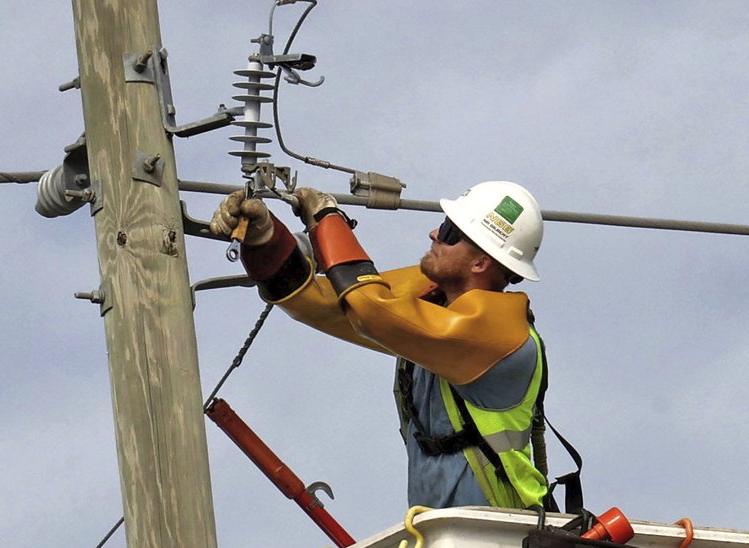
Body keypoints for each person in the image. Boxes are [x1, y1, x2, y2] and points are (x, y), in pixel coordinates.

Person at [210, 181, 553, 510]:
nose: (434, 234)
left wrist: (329, 220)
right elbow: (322, 300)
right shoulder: (435, 303)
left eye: (450, 233)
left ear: (480, 263)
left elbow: (369, 308)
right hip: (442, 531)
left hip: (503, 530)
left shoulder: (500, 332)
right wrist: (265, 239)